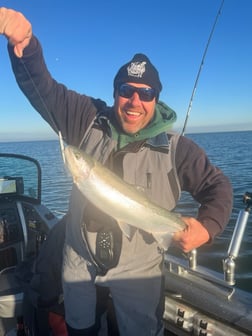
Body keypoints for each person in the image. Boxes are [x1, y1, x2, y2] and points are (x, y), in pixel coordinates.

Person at [0, 7, 233, 336]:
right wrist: (26, 45)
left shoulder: (179, 149)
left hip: (138, 272)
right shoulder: (86, 117)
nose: (135, 100)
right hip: (79, 265)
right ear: (114, 93)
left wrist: (206, 227)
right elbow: (43, 90)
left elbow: (218, 187)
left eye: (146, 93)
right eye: (126, 90)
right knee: (80, 328)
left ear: (155, 99)